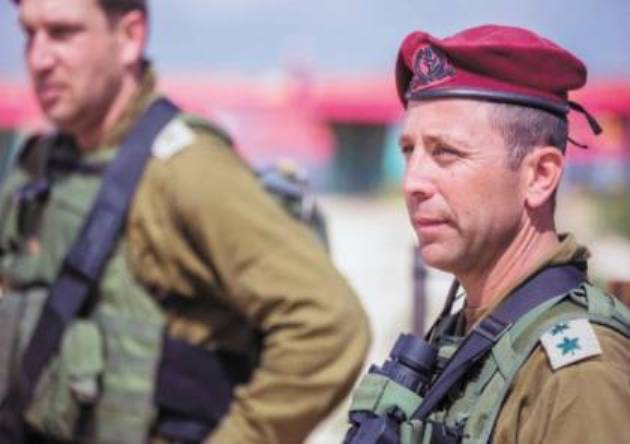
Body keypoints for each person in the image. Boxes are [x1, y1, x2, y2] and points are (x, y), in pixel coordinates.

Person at [0, 0, 371, 443]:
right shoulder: (39, 166)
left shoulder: (186, 170)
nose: (38, 58)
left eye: (63, 33)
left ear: (130, 37)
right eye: (29, 34)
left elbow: (330, 325)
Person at [344, 25, 630, 443]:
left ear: (540, 175)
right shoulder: (471, 329)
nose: (412, 182)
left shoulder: (579, 378)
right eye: (409, 151)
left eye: (446, 152)